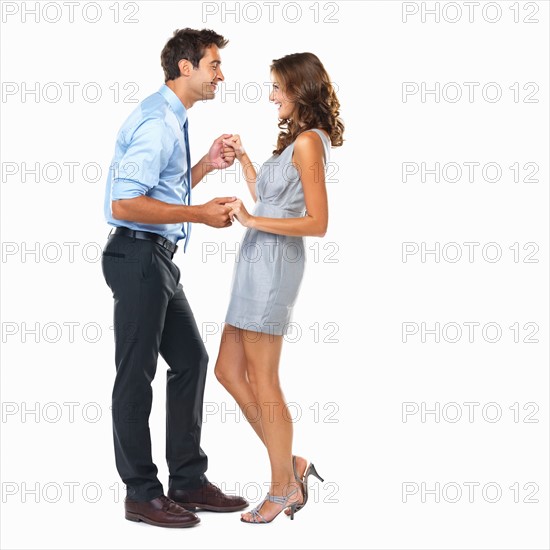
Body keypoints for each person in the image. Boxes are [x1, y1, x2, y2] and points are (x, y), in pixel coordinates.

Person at [101, 28, 248, 528]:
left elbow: (160, 186)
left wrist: (204, 165)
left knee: (191, 358)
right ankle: (142, 492)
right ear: (185, 68)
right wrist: (201, 214)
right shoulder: (157, 122)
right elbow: (125, 203)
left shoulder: (172, 118)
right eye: (214, 65)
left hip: (157, 259)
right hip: (137, 257)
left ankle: (187, 480)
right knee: (135, 375)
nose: (220, 75)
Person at [214, 52, 345, 524]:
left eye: (277, 88)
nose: (271, 97)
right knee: (227, 370)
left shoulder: (310, 143)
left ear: (299, 89)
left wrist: (249, 219)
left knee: (264, 380)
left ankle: (281, 488)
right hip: (254, 264)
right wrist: (246, 159)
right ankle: (289, 464)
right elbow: (270, 199)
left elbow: (318, 222)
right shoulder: (293, 143)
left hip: (273, 270)